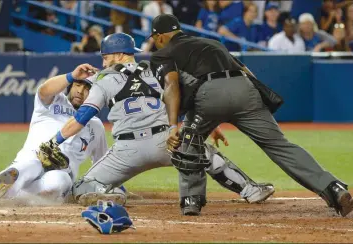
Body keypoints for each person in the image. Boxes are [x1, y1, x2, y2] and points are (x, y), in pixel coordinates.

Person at [37, 33, 275, 214]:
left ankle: (104, 194)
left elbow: (81, 118)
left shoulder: (102, 80)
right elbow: (182, 101)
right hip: (166, 142)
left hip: (126, 151)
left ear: (119, 55)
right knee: (207, 155)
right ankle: (250, 189)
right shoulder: (156, 71)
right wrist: (210, 126)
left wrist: (55, 140)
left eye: (106, 56)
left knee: (82, 187)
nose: (104, 60)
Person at [148, 13, 353, 217]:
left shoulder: (163, 53)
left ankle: (191, 200)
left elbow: (171, 85)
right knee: (280, 146)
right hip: (245, 90)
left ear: (160, 37)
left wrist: (173, 126)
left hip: (209, 95)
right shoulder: (212, 43)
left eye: (154, 40)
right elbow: (246, 71)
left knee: (187, 143)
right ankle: (334, 188)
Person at [0, 64, 109, 204]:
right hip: (33, 156)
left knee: (59, 182)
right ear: (71, 85)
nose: (80, 91)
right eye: (78, 84)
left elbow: (102, 165)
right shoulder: (54, 101)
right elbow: (44, 89)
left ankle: (9, 195)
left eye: (87, 88)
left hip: (64, 171)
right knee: (29, 166)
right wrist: (71, 75)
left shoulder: (96, 126)